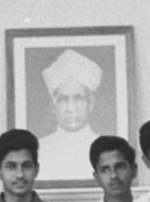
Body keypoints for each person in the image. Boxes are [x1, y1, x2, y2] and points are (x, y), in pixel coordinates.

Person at [38, 48, 102, 181]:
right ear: (53, 106)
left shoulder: (104, 148)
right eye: (63, 100)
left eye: (78, 98)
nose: (71, 108)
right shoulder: (40, 149)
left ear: (90, 104)